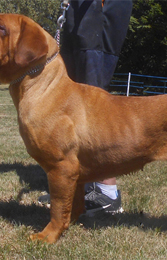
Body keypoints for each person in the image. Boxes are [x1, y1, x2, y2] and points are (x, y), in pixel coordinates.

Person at [39, 0, 132, 215]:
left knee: (93, 100)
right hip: (77, 10)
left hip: (99, 9)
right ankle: (79, 189)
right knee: (73, 98)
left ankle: (107, 192)